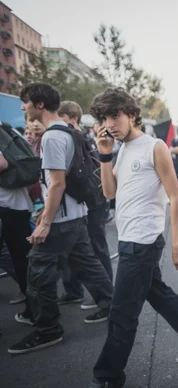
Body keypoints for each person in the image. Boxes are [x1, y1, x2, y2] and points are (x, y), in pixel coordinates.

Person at [90, 88, 178, 388]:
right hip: (127, 240)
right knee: (157, 294)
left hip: (143, 243)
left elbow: (175, 197)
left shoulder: (154, 146)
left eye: (115, 115)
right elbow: (109, 192)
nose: (110, 123)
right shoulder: (119, 150)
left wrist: (176, 244)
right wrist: (104, 154)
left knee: (121, 314)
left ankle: (107, 376)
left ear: (131, 114)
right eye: (105, 118)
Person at [9, 83, 113, 355]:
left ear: (39, 104)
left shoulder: (53, 137)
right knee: (88, 265)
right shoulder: (67, 130)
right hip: (75, 213)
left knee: (38, 274)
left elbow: (56, 184)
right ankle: (110, 304)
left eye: (26, 102)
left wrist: (44, 222)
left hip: (60, 219)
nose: (23, 107)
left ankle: (47, 330)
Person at [56, 101, 113, 311]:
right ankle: (79, 291)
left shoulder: (84, 139)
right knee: (82, 249)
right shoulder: (73, 138)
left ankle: (108, 294)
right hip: (87, 201)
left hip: (93, 201)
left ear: (72, 119)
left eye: (61, 118)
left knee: (97, 247)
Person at [0, 122, 35, 315]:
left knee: (22, 261)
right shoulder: (8, 129)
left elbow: (2, 162)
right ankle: (34, 307)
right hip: (18, 204)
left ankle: (36, 311)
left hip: (5, 206)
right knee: (23, 260)